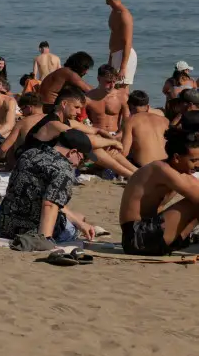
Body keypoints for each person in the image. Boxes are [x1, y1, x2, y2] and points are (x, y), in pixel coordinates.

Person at [0, 128, 95, 243]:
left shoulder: (29, 154)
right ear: (72, 152)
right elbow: (50, 205)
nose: (79, 164)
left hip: (3, 228)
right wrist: (44, 240)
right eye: (82, 160)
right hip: (31, 232)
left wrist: (79, 222)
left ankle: (76, 220)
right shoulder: (63, 169)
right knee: (70, 229)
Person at [118, 121, 199, 256]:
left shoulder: (178, 171)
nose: (197, 164)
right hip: (137, 238)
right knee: (193, 203)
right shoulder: (161, 169)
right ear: (177, 158)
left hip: (151, 234)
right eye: (194, 160)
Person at [20, 84, 135, 177]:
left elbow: (96, 131)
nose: (79, 112)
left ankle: (135, 172)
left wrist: (111, 139)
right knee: (93, 148)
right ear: (64, 104)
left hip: (49, 160)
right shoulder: (53, 124)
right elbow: (87, 140)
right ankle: (131, 175)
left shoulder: (66, 121)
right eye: (76, 107)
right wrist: (114, 142)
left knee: (99, 147)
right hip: (33, 165)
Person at [0, 92, 46, 166]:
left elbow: (4, 147)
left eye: (22, 109)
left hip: (29, 162)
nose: (22, 113)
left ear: (29, 107)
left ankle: (10, 166)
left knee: (15, 140)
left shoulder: (23, 122)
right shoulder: (53, 119)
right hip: (49, 160)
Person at [121, 89, 170, 166]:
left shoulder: (130, 121)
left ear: (130, 106)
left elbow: (124, 152)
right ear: (147, 107)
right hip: (165, 165)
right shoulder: (164, 120)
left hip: (144, 167)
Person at [86, 64, 130, 138]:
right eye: (108, 82)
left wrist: (118, 135)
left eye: (114, 82)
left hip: (115, 134)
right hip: (96, 135)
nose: (112, 85)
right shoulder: (88, 97)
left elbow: (127, 122)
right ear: (98, 79)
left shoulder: (122, 97)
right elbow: (82, 120)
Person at [105, 0, 135, 85]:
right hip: (115, 54)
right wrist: (110, 58)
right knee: (112, 88)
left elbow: (128, 41)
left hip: (124, 56)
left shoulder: (124, 15)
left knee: (122, 91)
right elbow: (114, 36)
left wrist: (123, 67)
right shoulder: (114, 12)